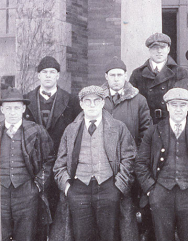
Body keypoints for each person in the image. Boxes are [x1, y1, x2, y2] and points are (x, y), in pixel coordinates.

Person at [53, 85, 136, 241]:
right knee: (81, 235)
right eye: (87, 101)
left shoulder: (118, 128)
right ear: (81, 104)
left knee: (109, 235)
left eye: (96, 101)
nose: (92, 105)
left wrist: (119, 187)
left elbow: (130, 158)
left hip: (109, 188)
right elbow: (59, 164)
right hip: (78, 190)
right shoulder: (71, 130)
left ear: (103, 103)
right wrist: (68, 188)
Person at [135, 88, 188, 241]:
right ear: (167, 106)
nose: (178, 109)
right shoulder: (154, 131)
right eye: (174, 105)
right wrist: (151, 190)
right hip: (161, 193)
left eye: (182, 105)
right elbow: (140, 163)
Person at [23, 56, 81, 230]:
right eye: (44, 72)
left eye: (52, 72)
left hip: (59, 164)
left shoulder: (71, 101)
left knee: (58, 210)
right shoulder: (26, 100)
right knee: (33, 210)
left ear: (58, 76)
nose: (48, 76)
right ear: (38, 76)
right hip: (33, 165)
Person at [102, 56, 152, 239]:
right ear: (106, 77)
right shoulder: (98, 100)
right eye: (112, 75)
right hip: (104, 164)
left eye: (120, 75)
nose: (116, 78)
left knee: (127, 211)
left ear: (125, 76)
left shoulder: (138, 100)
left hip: (129, 164)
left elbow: (146, 133)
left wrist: (135, 159)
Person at [1, 88, 55, 241]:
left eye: (16, 107)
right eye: (8, 108)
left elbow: (49, 160)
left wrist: (38, 185)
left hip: (26, 194)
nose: (12, 112)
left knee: (25, 236)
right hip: (1, 194)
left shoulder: (36, 131)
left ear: (23, 109)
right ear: (2, 109)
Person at [129, 33, 188, 124]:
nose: (159, 51)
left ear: (168, 49)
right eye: (155, 48)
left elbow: (184, 102)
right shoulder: (137, 74)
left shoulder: (180, 73)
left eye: (163, 47)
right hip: (146, 122)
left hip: (171, 122)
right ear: (149, 50)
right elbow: (132, 104)